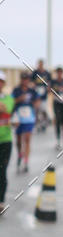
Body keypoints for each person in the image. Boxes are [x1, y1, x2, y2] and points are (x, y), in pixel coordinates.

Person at [11, 71, 36, 172]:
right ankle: (19, 154)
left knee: (27, 139)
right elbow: (11, 101)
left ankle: (26, 161)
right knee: (18, 140)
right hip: (18, 118)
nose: (24, 81)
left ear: (28, 80)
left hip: (29, 118)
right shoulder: (16, 90)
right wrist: (19, 99)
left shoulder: (32, 90)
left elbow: (37, 100)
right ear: (21, 79)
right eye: (23, 79)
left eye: (26, 79)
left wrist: (35, 105)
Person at [0, 71, 14, 214]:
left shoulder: (9, 98)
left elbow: (6, 109)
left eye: (1, 81)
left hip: (5, 141)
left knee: (2, 171)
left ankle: (1, 201)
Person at [30, 58, 51, 132]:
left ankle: (44, 122)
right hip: (36, 96)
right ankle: (38, 125)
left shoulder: (47, 73)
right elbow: (31, 82)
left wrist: (48, 89)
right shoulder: (35, 73)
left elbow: (49, 83)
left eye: (41, 64)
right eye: (39, 64)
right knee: (36, 111)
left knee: (44, 110)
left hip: (44, 96)